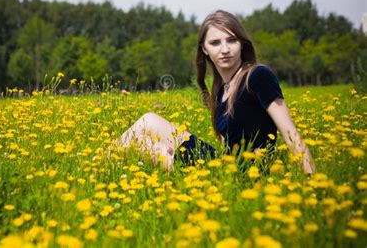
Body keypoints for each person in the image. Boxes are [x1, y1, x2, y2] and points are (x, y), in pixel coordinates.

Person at [114, 10, 316, 175]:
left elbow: (291, 134)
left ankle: (103, 176)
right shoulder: (221, 89)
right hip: (225, 166)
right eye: (215, 43)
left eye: (232, 40)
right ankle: (104, 171)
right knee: (147, 123)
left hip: (245, 174)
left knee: (147, 145)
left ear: (242, 43)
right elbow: (228, 146)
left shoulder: (258, 76)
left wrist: (313, 185)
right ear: (204, 49)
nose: (225, 49)